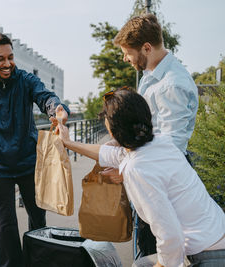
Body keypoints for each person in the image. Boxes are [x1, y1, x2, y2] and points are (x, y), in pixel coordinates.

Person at [57, 88, 225, 267]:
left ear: (113, 131)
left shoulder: (137, 169)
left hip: (206, 255)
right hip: (214, 237)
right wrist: (69, 143)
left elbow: (170, 236)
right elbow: (112, 154)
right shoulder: (160, 142)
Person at [0, 33, 70, 267]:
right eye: (0, 59)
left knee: (38, 218)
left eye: (10, 57)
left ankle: (38, 262)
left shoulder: (25, 80)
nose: (7, 64)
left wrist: (58, 111)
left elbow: (46, 97)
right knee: (5, 223)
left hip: (29, 160)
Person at [103, 13, 200, 256]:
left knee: (153, 250)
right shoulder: (152, 74)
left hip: (161, 179)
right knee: (145, 245)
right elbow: (147, 128)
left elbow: (170, 148)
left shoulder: (172, 85)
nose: (125, 58)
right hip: (151, 171)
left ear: (146, 48)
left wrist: (125, 171)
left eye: (127, 52)